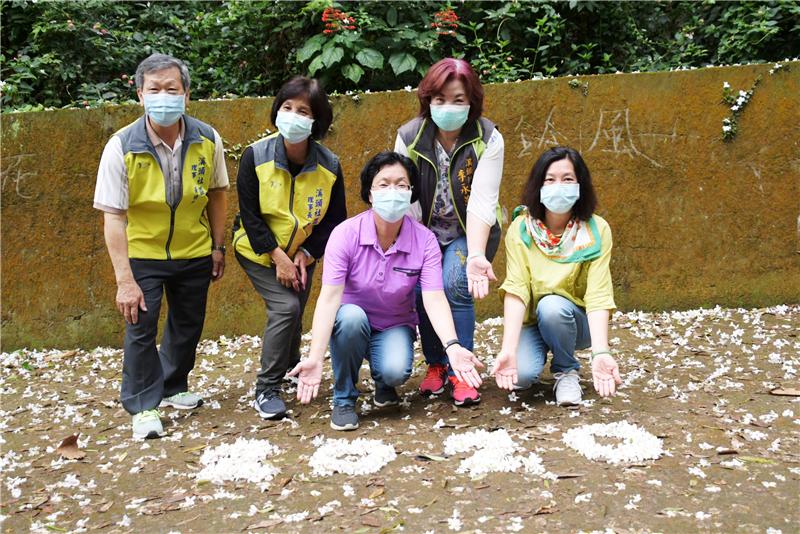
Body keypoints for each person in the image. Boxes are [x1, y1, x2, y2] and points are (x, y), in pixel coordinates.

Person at [287, 152, 484, 430]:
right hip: (351, 322)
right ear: (370, 193)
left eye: (401, 185)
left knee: (395, 371)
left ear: (411, 192)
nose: (393, 191)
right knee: (351, 318)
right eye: (384, 184)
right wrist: (315, 358)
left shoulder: (424, 240)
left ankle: (383, 384)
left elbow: (434, 297)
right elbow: (329, 298)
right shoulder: (345, 234)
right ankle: (344, 398)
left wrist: (452, 346)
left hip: (394, 324)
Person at [94, 53, 228, 439]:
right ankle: (142, 405)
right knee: (141, 327)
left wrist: (218, 246)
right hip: (144, 254)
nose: (164, 96)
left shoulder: (207, 138)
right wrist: (124, 279)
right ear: (140, 94)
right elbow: (113, 216)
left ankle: (171, 386)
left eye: (172, 89)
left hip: (194, 249)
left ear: (186, 93)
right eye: (154, 89)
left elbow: (218, 192)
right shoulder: (121, 146)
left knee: (187, 324)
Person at [232, 76, 346, 420]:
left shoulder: (330, 165)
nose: (293, 115)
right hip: (257, 250)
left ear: (317, 121)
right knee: (285, 308)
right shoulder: (256, 156)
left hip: (301, 254)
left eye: (303, 110)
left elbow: (334, 221)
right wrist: (278, 257)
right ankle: (266, 387)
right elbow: (250, 216)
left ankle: (293, 369)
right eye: (287, 107)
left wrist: (307, 253)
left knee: (295, 309)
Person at [394, 58, 504, 406]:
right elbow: (404, 196)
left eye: (458, 99)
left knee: (455, 279)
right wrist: (413, 249)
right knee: (423, 289)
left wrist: (474, 254)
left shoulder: (487, 137)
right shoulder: (410, 136)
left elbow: (482, 202)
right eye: (440, 100)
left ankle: (463, 368)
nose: (448, 107)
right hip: (422, 231)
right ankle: (437, 364)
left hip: (469, 232)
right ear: (428, 101)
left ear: (472, 101)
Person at [492, 146, 622, 404]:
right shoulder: (522, 228)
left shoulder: (596, 230)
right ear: (538, 186)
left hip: (574, 322)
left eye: (568, 179)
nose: (558, 186)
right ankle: (536, 351)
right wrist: (508, 349)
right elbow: (516, 289)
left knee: (552, 307)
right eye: (549, 179)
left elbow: (598, 294)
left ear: (580, 185)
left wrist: (601, 352)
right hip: (534, 322)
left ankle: (566, 370)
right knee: (521, 377)